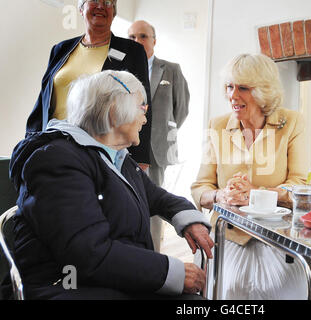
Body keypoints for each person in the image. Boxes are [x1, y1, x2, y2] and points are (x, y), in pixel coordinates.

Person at [7, 70, 213, 300]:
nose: (145, 119)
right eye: (142, 108)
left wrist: (188, 218)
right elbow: (88, 254)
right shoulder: (59, 161)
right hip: (69, 285)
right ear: (115, 110)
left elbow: (156, 196)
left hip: (108, 278)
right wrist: (172, 272)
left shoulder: (114, 157)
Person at [191, 53, 309, 299]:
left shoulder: (292, 123)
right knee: (230, 286)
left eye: (243, 87)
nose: (233, 95)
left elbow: (300, 184)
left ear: (264, 92)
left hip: (277, 238)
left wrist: (255, 194)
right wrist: (220, 195)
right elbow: (200, 187)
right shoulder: (218, 125)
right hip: (229, 237)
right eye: (229, 87)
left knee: (281, 289)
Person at [26, 0, 152, 168]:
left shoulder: (131, 51)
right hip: (53, 144)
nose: (100, 6)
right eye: (94, 0)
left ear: (113, 12)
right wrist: (30, 142)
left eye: (107, 2)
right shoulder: (61, 49)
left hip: (102, 150)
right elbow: (43, 100)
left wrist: (140, 159)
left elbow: (142, 104)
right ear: (81, 8)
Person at [128, 20, 190, 251]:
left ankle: (152, 255)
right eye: (132, 37)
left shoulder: (171, 69)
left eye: (143, 36)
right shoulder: (121, 67)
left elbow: (181, 109)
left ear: (154, 40)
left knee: (152, 203)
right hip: (123, 146)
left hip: (155, 151)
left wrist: (161, 134)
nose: (137, 41)